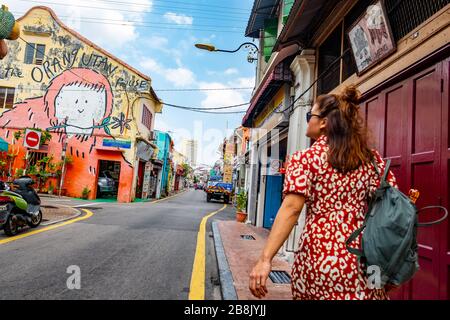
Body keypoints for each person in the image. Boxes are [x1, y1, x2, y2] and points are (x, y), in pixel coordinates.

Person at [249, 85, 397, 300]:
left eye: (311, 115)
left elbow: (291, 209)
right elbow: (391, 209)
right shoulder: (372, 160)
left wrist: (265, 259)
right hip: (366, 258)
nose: (308, 119)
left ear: (324, 122)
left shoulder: (305, 159)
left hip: (319, 258)